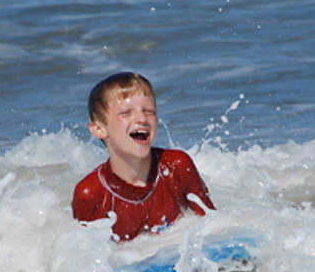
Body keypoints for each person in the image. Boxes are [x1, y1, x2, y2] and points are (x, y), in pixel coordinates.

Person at [72, 72, 215, 242]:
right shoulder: (90, 193)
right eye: (126, 113)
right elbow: (84, 260)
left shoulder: (177, 166)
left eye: (149, 111)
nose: (141, 118)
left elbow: (214, 227)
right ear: (99, 129)